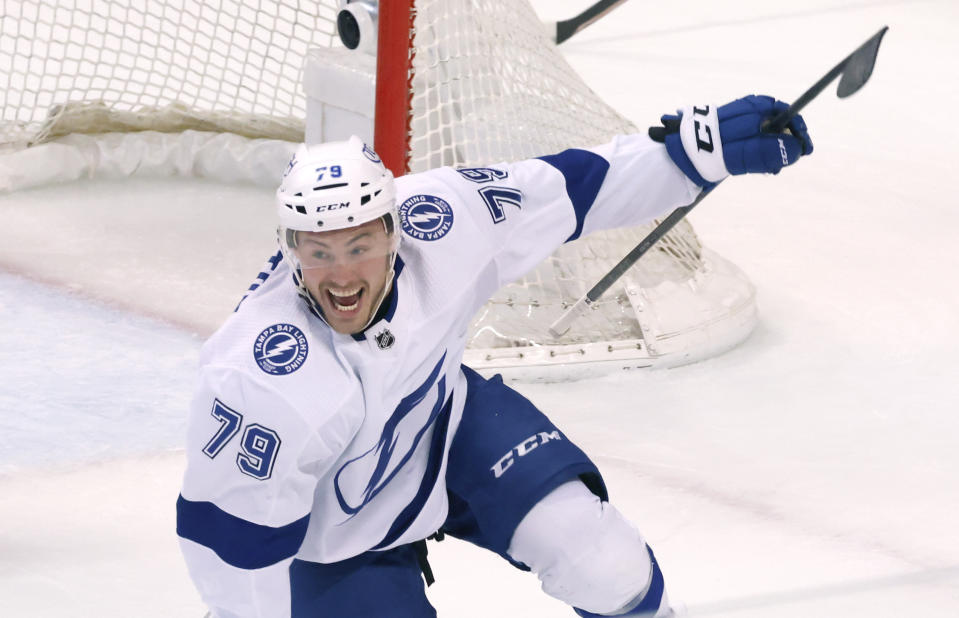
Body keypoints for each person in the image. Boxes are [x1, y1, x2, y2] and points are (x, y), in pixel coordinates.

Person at [176, 95, 812, 617]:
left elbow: (576, 188)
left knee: (603, 560)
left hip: (446, 427)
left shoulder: (444, 218)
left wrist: (695, 156)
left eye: (360, 245)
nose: (341, 276)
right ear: (290, 249)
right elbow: (234, 554)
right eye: (319, 252)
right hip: (337, 542)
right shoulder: (260, 382)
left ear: (396, 230)